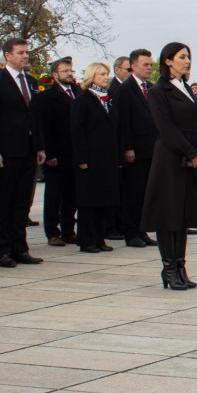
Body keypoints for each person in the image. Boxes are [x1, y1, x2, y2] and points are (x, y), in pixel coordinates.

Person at [142, 43, 197, 290]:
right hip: (171, 159)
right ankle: (169, 267)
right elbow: (165, 127)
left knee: (182, 216)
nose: (187, 61)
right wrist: (190, 152)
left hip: (191, 159)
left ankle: (180, 265)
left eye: (189, 56)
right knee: (168, 215)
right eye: (182, 57)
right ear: (168, 61)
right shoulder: (159, 90)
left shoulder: (187, 89)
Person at [0, 37, 46, 268]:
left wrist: (39, 146)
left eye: (26, 52)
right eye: (20, 53)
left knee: (21, 202)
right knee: (2, 201)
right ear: (7, 55)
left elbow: (35, 117)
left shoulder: (31, 81)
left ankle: (20, 248)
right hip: (5, 152)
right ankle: (2, 249)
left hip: (27, 150)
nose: (25, 56)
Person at [71, 62, 119, 253]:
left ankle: (100, 238)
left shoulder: (109, 100)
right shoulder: (83, 100)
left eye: (107, 74)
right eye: (101, 74)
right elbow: (77, 130)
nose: (106, 77)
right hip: (90, 159)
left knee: (103, 201)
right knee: (89, 202)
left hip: (106, 159)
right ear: (92, 77)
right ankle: (86, 240)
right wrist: (81, 158)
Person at [114, 49, 159, 248]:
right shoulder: (124, 90)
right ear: (133, 66)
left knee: (145, 193)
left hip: (151, 149)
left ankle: (142, 230)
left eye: (150, 64)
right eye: (145, 64)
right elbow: (122, 122)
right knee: (132, 192)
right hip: (134, 151)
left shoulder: (149, 87)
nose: (149, 68)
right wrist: (127, 148)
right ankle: (131, 232)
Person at [37, 57, 80, 246]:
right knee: (54, 194)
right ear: (55, 75)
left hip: (75, 152)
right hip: (57, 153)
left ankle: (68, 229)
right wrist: (50, 153)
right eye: (65, 71)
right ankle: (52, 231)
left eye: (71, 70)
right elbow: (45, 126)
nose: (69, 74)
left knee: (72, 194)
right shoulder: (47, 96)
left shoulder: (78, 92)